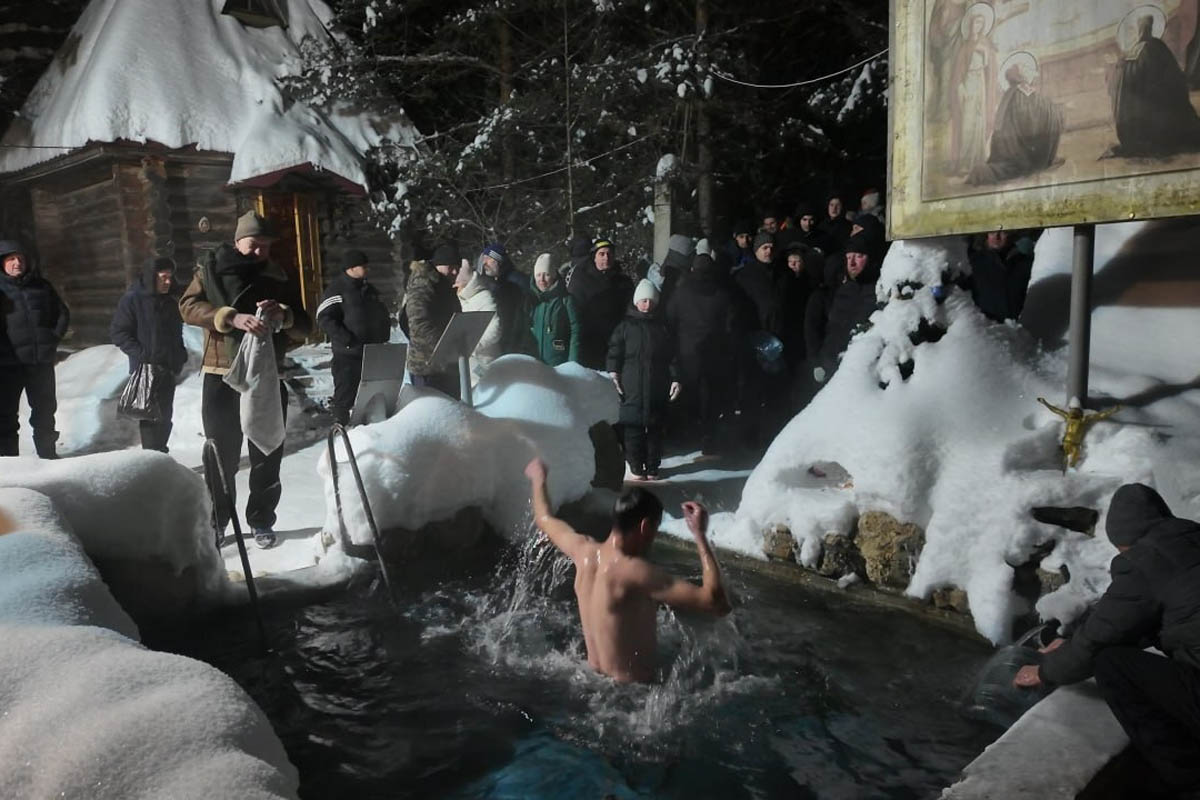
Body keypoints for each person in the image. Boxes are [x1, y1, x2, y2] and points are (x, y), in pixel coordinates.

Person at [1014, 484, 1200, 796]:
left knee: (1112, 665)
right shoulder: (1188, 540)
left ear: (1126, 540)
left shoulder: (1146, 559)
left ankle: (1188, 779)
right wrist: (1071, 639)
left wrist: (1045, 671)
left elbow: (1100, 639)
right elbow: (1131, 615)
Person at [524, 457, 731, 683]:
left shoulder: (582, 551)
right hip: (635, 693)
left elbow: (544, 518)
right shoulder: (636, 572)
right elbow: (715, 603)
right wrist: (700, 536)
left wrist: (539, 479)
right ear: (645, 526)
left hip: (590, 680)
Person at [179, 210, 312, 548]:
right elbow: (188, 306)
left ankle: (262, 520)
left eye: (265, 246)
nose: (259, 251)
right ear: (237, 241)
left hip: (266, 374)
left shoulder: (277, 275)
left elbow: (305, 325)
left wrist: (284, 315)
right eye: (253, 244)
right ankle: (218, 521)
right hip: (222, 373)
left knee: (267, 450)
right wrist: (229, 317)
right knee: (220, 454)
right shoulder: (210, 269)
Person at [0, 237, 69, 458]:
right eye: (11, 259)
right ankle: (9, 462)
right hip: (9, 365)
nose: (17, 263)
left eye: (20, 258)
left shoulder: (42, 287)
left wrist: (52, 338)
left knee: (45, 412)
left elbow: (62, 314)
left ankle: (48, 455)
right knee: (6, 416)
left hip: (40, 362)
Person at [110, 256, 188, 450]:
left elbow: (176, 333)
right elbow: (119, 333)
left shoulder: (170, 302)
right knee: (150, 418)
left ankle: (160, 456)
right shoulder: (132, 300)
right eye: (163, 277)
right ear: (151, 277)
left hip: (167, 368)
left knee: (165, 418)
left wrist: (179, 355)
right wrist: (143, 354)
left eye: (170, 277)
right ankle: (152, 457)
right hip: (145, 369)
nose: (168, 282)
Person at [666, 252, 739, 455]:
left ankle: (685, 435)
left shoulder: (680, 293)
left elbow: (670, 321)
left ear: (692, 270)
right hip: (714, 352)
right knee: (712, 397)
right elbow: (731, 324)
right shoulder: (722, 294)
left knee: (686, 394)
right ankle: (709, 436)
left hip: (687, 352)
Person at [606, 279, 679, 481]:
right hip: (632, 387)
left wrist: (676, 378)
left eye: (651, 301)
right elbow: (614, 352)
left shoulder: (663, 328)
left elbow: (672, 356)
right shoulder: (625, 327)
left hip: (657, 385)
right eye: (643, 300)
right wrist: (613, 373)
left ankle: (653, 466)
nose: (647, 305)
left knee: (655, 431)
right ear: (636, 301)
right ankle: (636, 466)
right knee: (633, 430)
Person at [1107, 14, 1200, 158]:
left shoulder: (1129, 51)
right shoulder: (1155, 45)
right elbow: (1172, 75)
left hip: (1130, 126)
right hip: (1153, 118)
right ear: (1149, 29)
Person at [316, 249, 392, 425]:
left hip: (372, 353)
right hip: (348, 355)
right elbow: (324, 317)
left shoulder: (369, 289)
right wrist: (347, 339)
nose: (367, 269)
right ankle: (340, 429)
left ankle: (367, 431)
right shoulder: (337, 289)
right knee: (345, 395)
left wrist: (383, 334)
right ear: (351, 268)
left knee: (371, 395)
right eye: (363, 266)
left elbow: (381, 312)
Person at [968, 60, 1063, 185]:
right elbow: (1038, 119)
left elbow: (1005, 127)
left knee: (992, 168)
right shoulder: (1031, 94)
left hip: (1012, 152)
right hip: (1030, 152)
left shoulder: (1010, 94)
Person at [805, 232, 880, 387]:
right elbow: (819, 329)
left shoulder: (879, 290)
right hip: (829, 367)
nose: (851, 263)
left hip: (860, 371)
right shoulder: (842, 290)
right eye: (848, 257)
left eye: (858, 256)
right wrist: (817, 361)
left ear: (870, 258)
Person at [404, 243, 462, 397]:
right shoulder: (423, 282)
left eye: (458, 268)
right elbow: (419, 321)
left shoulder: (443, 284)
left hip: (446, 363)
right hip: (427, 365)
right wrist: (442, 347)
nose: (455, 272)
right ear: (438, 265)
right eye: (450, 267)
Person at [567, 237, 633, 370]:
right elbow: (572, 311)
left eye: (609, 254)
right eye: (601, 254)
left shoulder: (624, 282)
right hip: (588, 341)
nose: (606, 258)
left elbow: (630, 311)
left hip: (615, 341)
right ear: (594, 257)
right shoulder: (580, 279)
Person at [477, 242, 532, 357]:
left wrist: (515, 344)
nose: (484, 263)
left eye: (488, 259)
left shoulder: (517, 281)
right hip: (506, 342)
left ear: (499, 261)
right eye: (483, 259)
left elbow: (521, 316)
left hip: (516, 343)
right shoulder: (497, 283)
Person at [454, 254, 502, 384]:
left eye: (457, 283)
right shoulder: (458, 299)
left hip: (484, 362)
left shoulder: (484, 297)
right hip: (465, 366)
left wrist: (473, 345)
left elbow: (495, 329)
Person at [968, 230, 1034, 322]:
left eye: (1002, 232)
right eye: (992, 232)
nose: (997, 237)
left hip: (1021, 327)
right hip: (986, 327)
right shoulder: (972, 263)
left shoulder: (1026, 263)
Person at [528, 253, 580, 367]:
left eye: (546, 275)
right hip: (534, 361)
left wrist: (573, 362)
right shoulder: (530, 300)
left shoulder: (565, 300)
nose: (542, 279)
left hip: (558, 362)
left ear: (554, 276)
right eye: (538, 275)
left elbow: (575, 331)